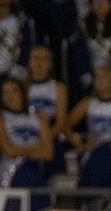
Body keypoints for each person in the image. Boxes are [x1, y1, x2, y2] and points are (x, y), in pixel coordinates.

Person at [0, 77, 52, 211]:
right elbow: (9, 151)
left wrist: (20, 151)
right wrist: (37, 145)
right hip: (10, 174)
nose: (10, 96)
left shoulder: (40, 117)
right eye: (5, 92)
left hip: (36, 173)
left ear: (23, 93)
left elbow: (48, 153)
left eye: (14, 91)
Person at [25, 45, 70, 177]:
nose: (39, 63)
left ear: (50, 63)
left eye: (44, 59)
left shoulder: (58, 88)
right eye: (36, 59)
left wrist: (43, 141)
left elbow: (61, 123)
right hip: (27, 137)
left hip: (51, 137)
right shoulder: (22, 87)